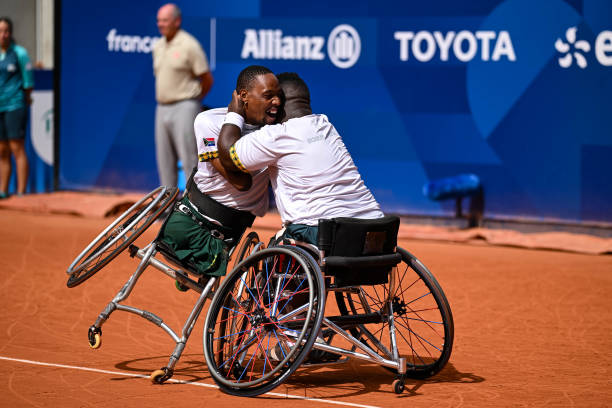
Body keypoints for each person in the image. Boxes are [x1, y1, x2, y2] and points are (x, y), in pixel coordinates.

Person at [217, 72, 384, 245]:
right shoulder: (325, 125)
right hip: (376, 227)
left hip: (326, 234)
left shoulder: (277, 135)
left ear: (278, 103)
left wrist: (234, 114)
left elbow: (229, 156)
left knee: (277, 245)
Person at [159, 65, 281, 278]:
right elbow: (239, 181)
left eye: (278, 96)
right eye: (268, 96)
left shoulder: (277, 134)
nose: (276, 102)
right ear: (243, 96)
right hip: (196, 212)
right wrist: (234, 117)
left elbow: (242, 183)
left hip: (229, 229)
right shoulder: (209, 120)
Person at [152, 3, 213, 189]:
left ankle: (192, 207)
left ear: (177, 21)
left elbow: (207, 78)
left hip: (185, 106)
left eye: (165, 20)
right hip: (162, 107)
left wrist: (193, 102)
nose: (160, 24)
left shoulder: (190, 45)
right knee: (164, 160)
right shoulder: (158, 45)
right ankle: (167, 209)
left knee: (189, 158)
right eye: (158, 20)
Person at [0, 17, 34, 199]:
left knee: (16, 148)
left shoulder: (20, 53)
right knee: (2, 150)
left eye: (5, 31)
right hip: (0, 107)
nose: (2, 35)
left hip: (16, 105)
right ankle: (3, 190)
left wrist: (26, 98)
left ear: (11, 33)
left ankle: (21, 193)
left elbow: (28, 81)